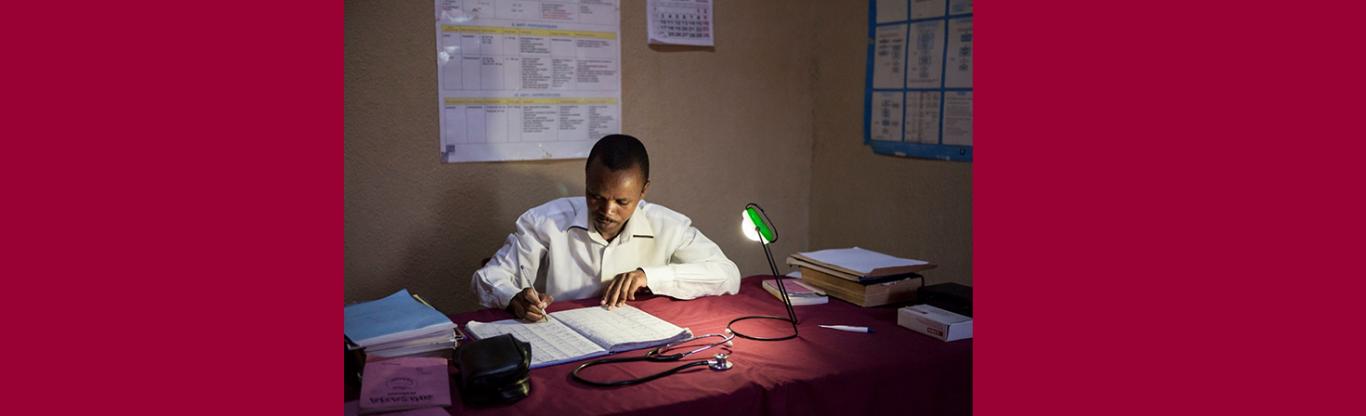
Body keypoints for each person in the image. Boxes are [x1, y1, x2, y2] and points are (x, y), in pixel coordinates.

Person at [472, 134, 741, 321]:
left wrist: (650, 276)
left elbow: (729, 275)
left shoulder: (668, 225)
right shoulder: (544, 222)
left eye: (622, 201)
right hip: (561, 340)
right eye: (595, 196)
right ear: (587, 181)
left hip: (639, 339)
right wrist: (512, 297)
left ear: (644, 190)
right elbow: (487, 278)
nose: (607, 211)